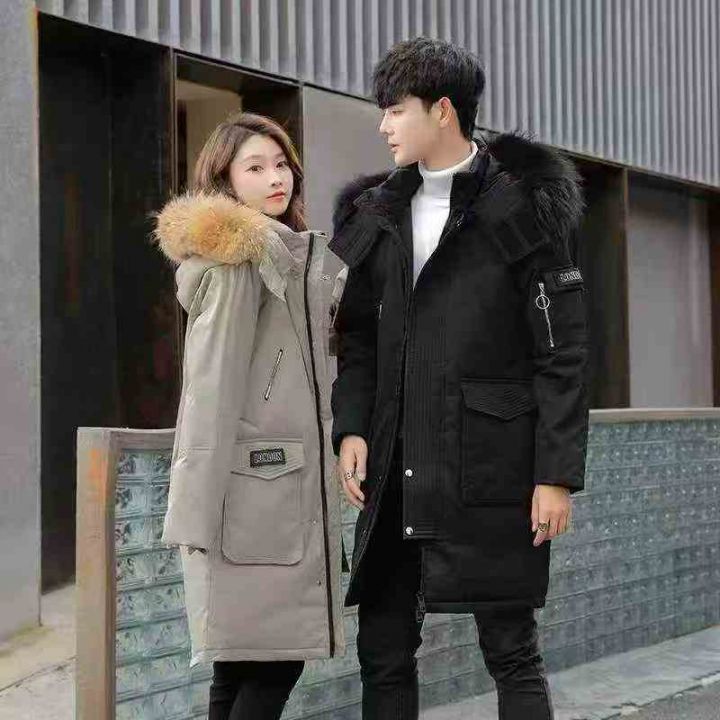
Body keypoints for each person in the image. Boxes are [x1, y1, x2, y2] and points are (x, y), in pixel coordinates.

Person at [330, 37, 589, 719]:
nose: (383, 126)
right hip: (395, 466)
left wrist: (555, 474)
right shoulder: (377, 211)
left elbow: (562, 351)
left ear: (442, 110)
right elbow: (355, 337)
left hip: (490, 465)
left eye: (395, 110)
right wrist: (351, 427)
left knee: (510, 649)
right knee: (382, 651)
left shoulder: (522, 207)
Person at [154, 112, 346, 720]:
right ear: (226, 182)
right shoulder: (241, 265)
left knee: (239, 666)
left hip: (272, 500)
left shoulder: (284, 257)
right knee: (273, 664)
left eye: (281, 163)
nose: (275, 178)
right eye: (255, 168)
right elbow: (208, 392)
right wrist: (192, 516)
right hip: (259, 504)